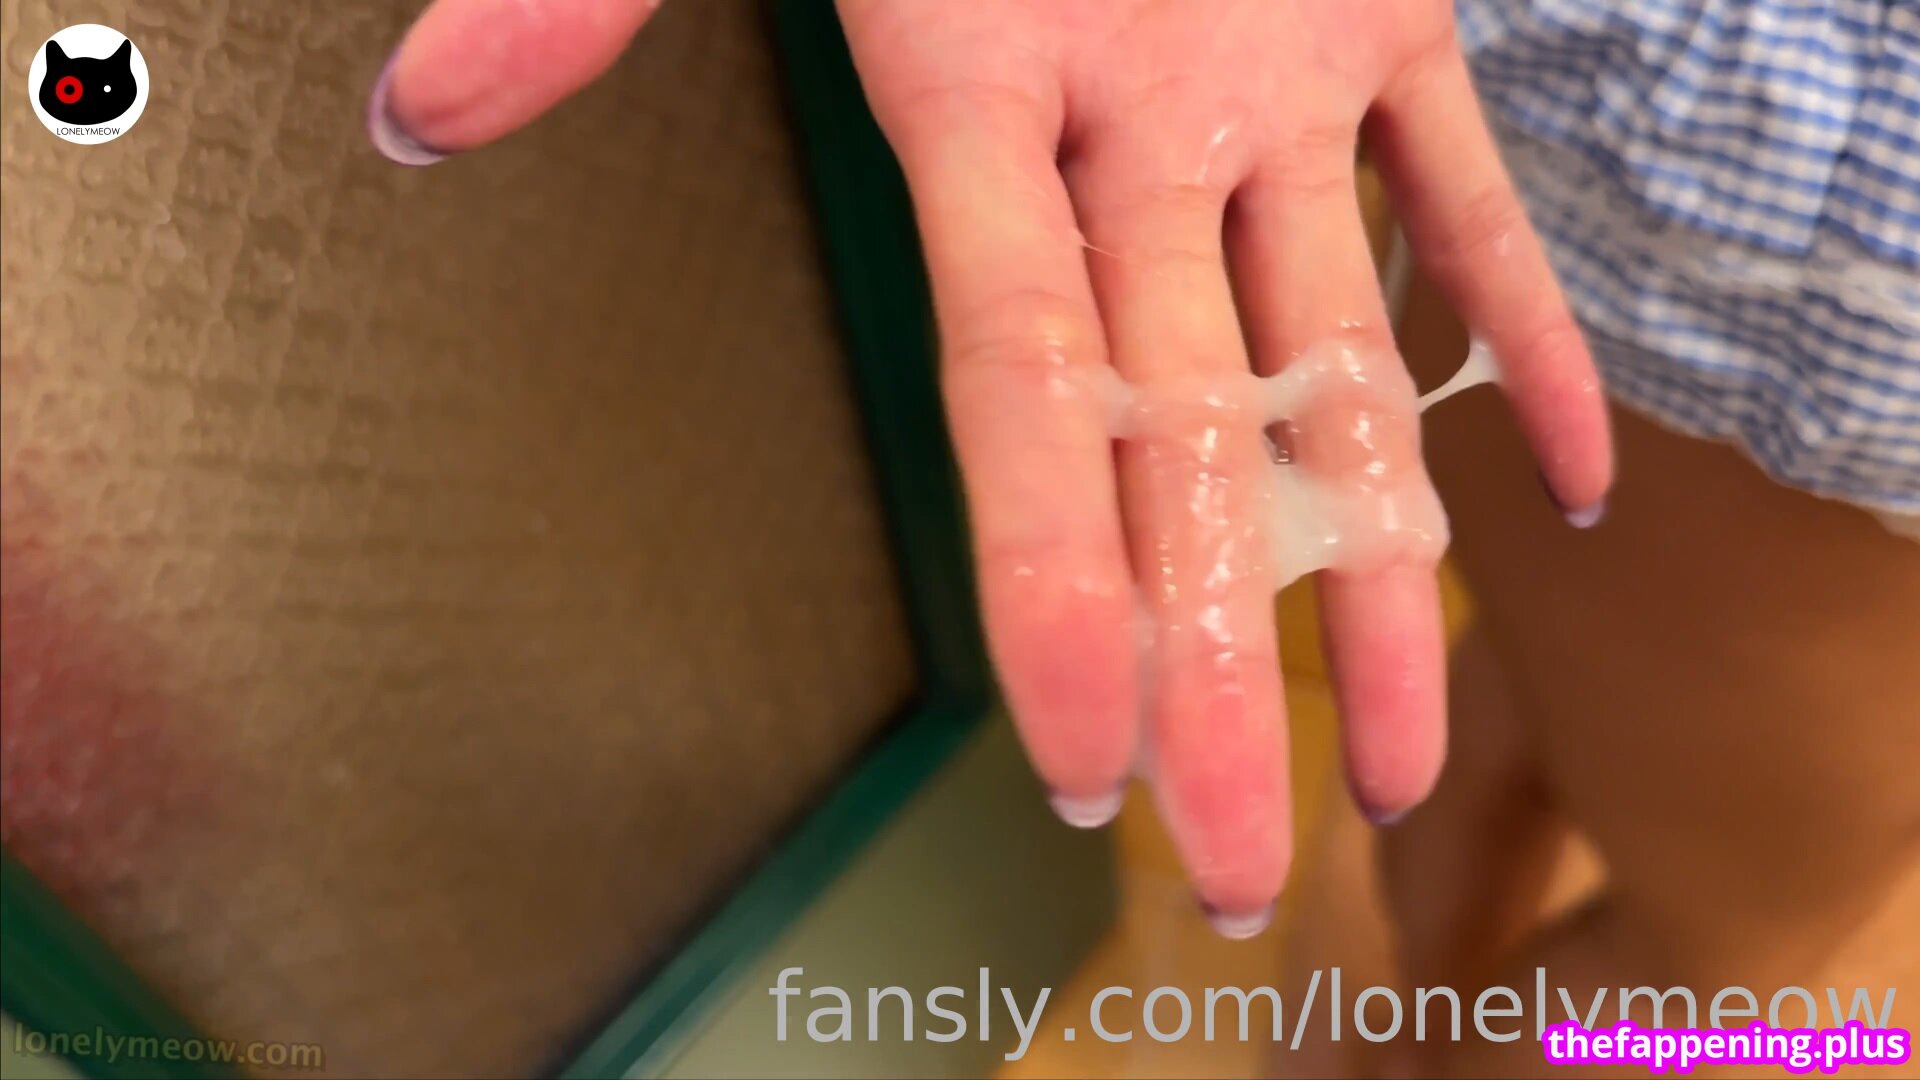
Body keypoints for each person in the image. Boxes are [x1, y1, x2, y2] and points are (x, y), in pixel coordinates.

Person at [369, 1, 1918, 1074]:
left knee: (1521, 696)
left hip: (1609, 179)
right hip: (1761, 260)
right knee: (1743, 972)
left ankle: (1368, 1033)